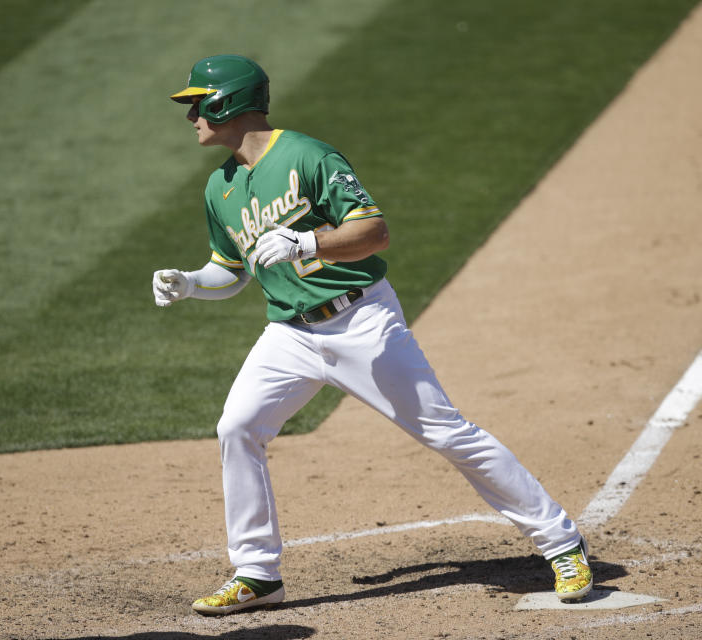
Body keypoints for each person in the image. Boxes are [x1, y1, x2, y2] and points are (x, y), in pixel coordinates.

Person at [153, 54, 593, 616]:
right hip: (290, 334)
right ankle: (258, 574)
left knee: (446, 433)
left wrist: (307, 243)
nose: (191, 115)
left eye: (197, 103)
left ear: (227, 102)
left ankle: (561, 542)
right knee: (237, 427)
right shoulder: (221, 186)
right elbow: (232, 271)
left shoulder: (306, 155)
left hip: (361, 322)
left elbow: (374, 231)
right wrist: (191, 283)